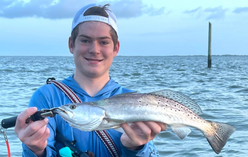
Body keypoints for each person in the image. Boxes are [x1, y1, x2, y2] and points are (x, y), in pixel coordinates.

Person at [14, 3, 166, 157]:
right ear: (71, 45)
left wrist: (136, 148)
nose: (94, 49)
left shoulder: (135, 100)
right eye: (85, 40)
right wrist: (35, 149)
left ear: (116, 48)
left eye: (104, 42)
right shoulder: (47, 96)